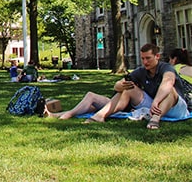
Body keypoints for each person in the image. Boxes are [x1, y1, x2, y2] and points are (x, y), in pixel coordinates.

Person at [48, 44, 190, 129]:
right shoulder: (141, 72)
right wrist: (122, 85)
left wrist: (157, 102)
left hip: (175, 107)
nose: (145, 62)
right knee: (127, 88)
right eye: (143, 58)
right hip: (151, 104)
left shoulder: (166, 68)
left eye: (148, 58)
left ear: (157, 57)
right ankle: (99, 115)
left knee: (169, 91)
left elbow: (167, 83)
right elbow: (116, 86)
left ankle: (155, 120)